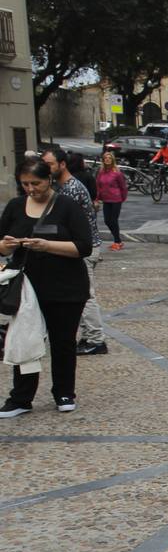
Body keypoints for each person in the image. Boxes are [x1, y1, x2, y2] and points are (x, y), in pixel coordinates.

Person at [0, 158, 93, 417]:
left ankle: (64, 392)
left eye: (36, 183)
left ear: (49, 179)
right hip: (26, 287)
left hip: (65, 287)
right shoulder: (15, 207)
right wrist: (6, 246)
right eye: (25, 184)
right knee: (25, 340)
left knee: (62, 342)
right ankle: (21, 397)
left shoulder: (67, 206)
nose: (31, 189)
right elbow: (1, 241)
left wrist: (47, 245)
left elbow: (83, 247)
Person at [43, 148, 106, 357]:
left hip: (84, 248)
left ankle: (96, 339)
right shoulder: (64, 187)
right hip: (80, 247)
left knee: (86, 295)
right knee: (81, 293)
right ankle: (90, 336)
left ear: (62, 165)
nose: (46, 169)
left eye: (50, 164)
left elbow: (66, 225)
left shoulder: (71, 190)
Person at [95, 151, 128, 252]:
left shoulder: (117, 173)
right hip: (106, 199)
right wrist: (96, 198)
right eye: (106, 158)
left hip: (116, 199)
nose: (107, 159)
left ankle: (117, 241)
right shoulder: (101, 172)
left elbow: (123, 186)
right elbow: (98, 186)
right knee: (107, 221)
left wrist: (123, 198)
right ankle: (118, 240)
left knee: (113, 220)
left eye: (109, 158)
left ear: (112, 160)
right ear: (103, 160)